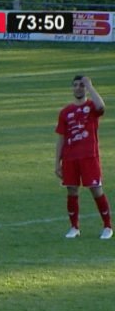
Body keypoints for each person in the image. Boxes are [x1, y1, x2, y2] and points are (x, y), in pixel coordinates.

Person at [55, 75, 111, 239]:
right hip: (70, 158)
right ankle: (74, 227)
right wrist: (57, 163)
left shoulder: (91, 106)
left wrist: (90, 86)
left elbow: (101, 106)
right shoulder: (65, 112)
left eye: (82, 85)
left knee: (96, 190)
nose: (78, 88)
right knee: (72, 190)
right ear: (72, 88)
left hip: (89, 156)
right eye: (76, 85)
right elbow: (61, 139)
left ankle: (107, 226)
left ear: (85, 88)